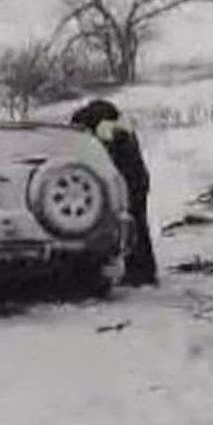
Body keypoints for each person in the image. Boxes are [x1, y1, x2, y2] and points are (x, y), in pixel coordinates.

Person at [69, 98, 159, 286]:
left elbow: (111, 161)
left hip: (128, 184)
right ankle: (143, 271)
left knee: (132, 229)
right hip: (136, 181)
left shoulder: (109, 134)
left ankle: (140, 273)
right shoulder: (121, 129)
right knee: (138, 227)